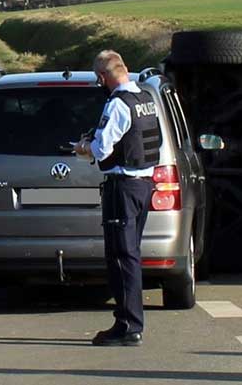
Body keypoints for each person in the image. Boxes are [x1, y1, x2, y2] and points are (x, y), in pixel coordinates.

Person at [73, 50, 160, 347]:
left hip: (122, 187)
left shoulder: (119, 104)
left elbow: (101, 150)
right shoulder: (146, 98)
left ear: (103, 76)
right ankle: (129, 320)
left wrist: (84, 147)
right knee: (131, 253)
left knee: (122, 258)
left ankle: (128, 324)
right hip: (144, 185)